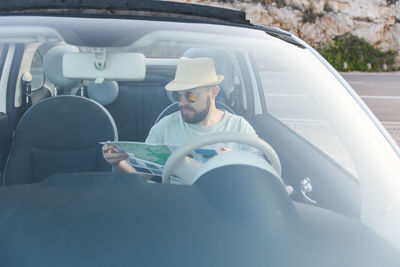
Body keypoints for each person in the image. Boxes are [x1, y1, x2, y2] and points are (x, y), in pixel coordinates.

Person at [102, 57, 257, 175]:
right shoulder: (165, 127)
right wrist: (118, 163)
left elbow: (262, 176)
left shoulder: (239, 128)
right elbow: (145, 177)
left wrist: (239, 162)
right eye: (178, 96)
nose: (182, 103)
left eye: (191, 96)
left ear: (214, 92)